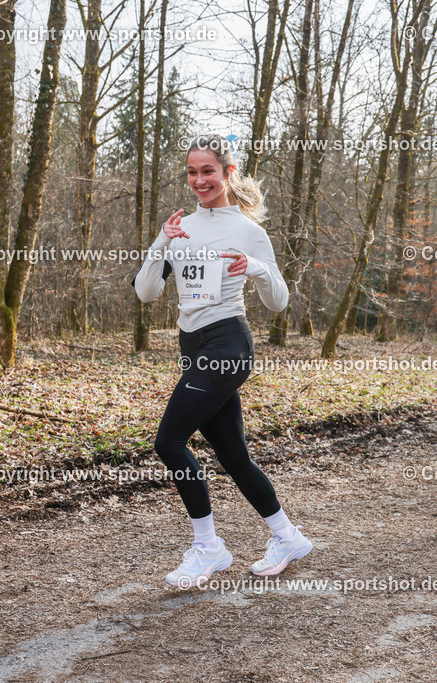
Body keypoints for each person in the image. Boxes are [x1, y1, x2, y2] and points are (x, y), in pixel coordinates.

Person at [133, 133, 312, 587]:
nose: (199, 180)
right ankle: (287, 537)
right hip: (192, 345)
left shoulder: (250, 232)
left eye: (208, 171)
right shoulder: (180, 228)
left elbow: (278, 302)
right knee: (233, 455)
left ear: (228, 173)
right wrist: (161, 240)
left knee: (169, 443)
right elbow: (146, 292)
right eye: (192, 172)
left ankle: (208, 547)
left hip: (228, 344)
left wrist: (256, 268)